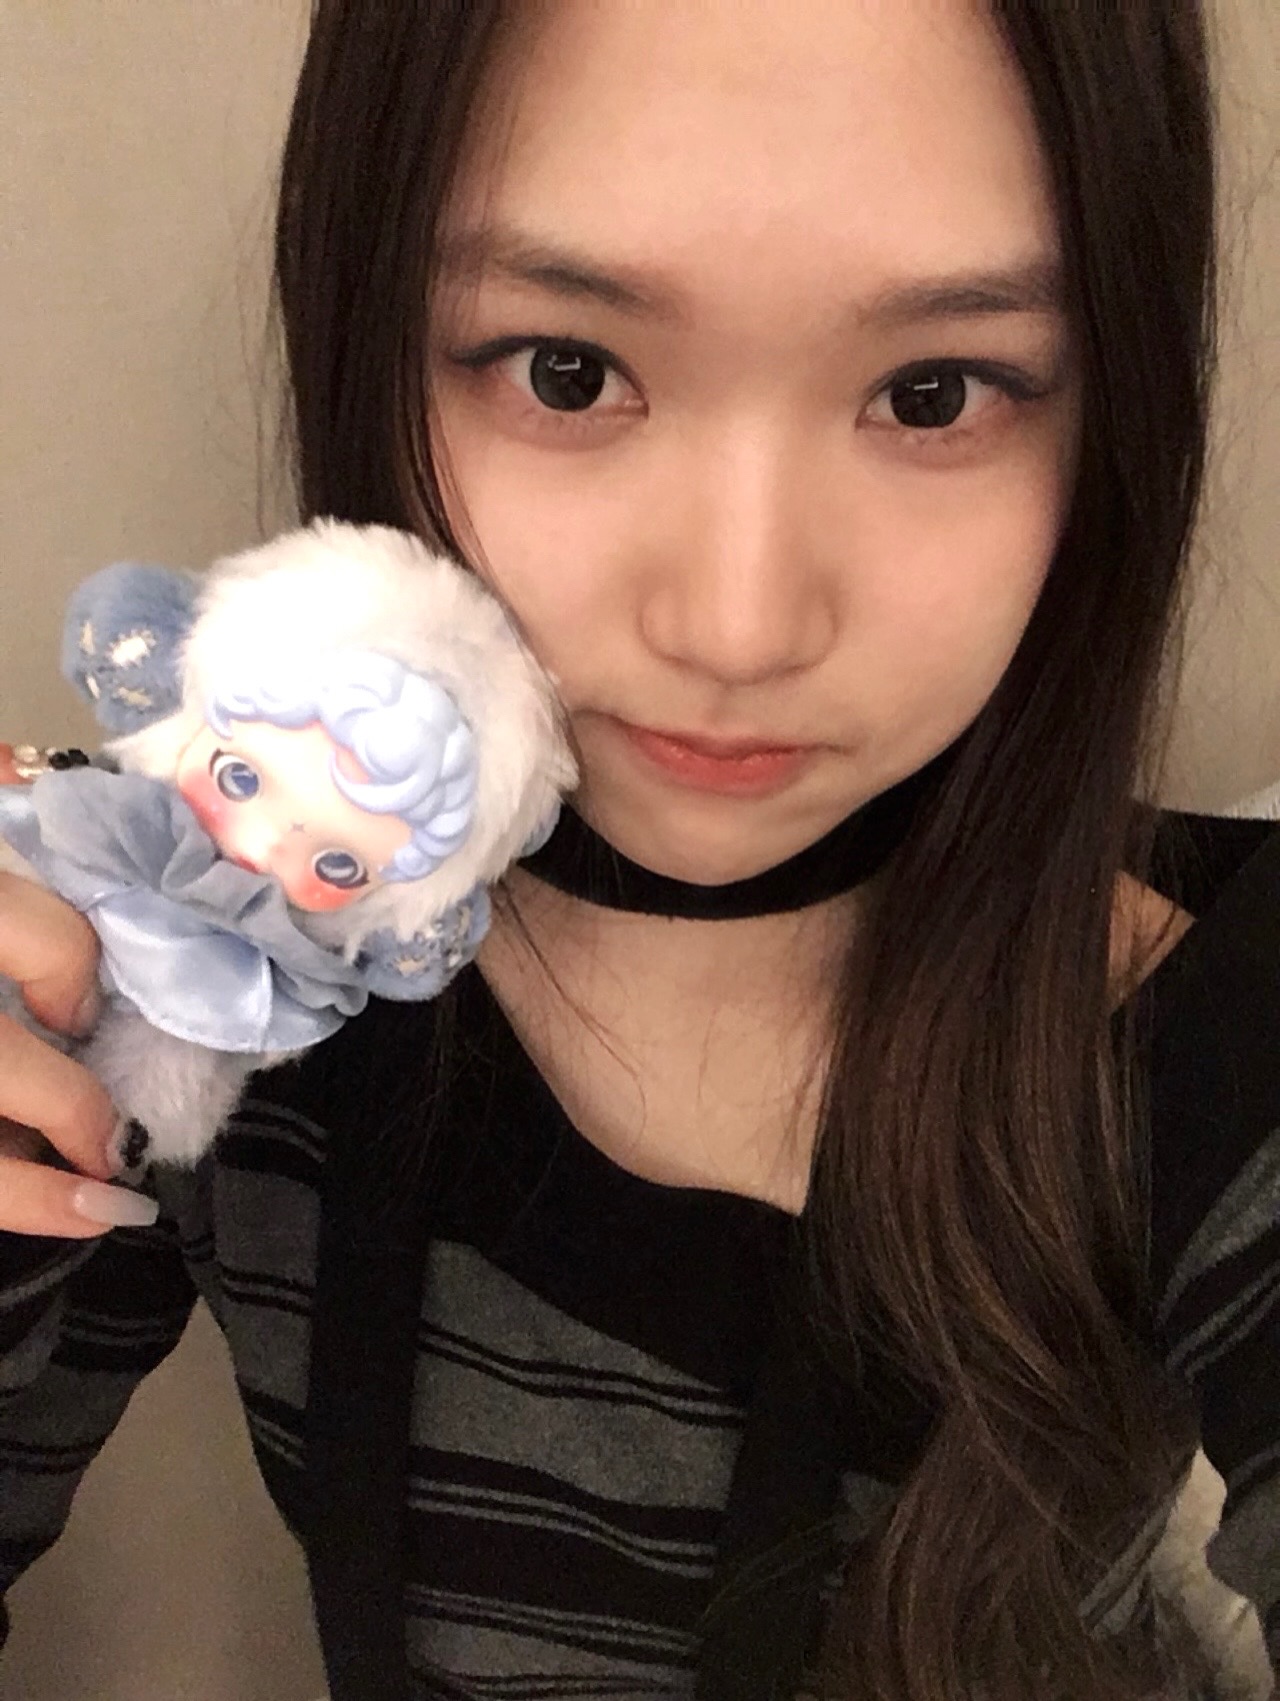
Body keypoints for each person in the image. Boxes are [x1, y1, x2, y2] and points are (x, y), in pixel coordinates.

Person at [0, 4, 1275, 1699]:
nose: (738, 624)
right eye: (568, 370)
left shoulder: (1220, 1008)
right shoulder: (196, 943)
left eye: (933, 393)